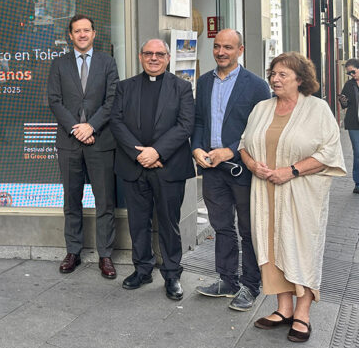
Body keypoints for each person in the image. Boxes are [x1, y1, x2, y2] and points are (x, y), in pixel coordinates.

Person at [240, 52, 345, 343]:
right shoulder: (262, 108)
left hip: (301, 194)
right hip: (265, 192)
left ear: (300, 79)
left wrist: (292, 170)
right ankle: (283, 309)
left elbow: (329, 153)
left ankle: (302, 314)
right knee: (271, 247)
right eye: (273, 73)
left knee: (301, 248)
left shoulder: (318, 109)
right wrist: (252, 165)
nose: (275, 78)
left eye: (282, 74)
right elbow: (243, 145)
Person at [110, 39, 194, 300]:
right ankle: (142, 269)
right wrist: (140, 155)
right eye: (149, 53)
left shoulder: (182, 87)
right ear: (140, 56)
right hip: (134, 167)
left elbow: (185, 125)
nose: (154, 58)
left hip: (168, 166)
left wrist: (156, 152)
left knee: (169, 223)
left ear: (168, 58)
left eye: (159, 54)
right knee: (138, 222)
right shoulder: (125, 87)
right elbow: (116, 121)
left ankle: (171, 275)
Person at [192, 30, 271, 311]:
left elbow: (260, 131)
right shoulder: (203, 82)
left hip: (242, 169)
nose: (221, 52)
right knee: (222, 227)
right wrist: (197, 148)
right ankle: (227, 280)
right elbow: (199, 121)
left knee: (249, 229)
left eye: (227, 47)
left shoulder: (257, 86)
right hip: (212, 170)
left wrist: (232, 149)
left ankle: (251, 284)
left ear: (240, 50)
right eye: (216, 46)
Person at [47, 15, 120, 278]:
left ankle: (105, 256)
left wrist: (92, 126)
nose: (82, 35)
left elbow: (112, 100)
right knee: (71, 199)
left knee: (105, 201)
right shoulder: (59, 64)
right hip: (69, 142)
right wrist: (77, 129)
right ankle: (73, 251)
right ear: (70, 35)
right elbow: (55, 101)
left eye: (86, 30)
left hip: (100, 141)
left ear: (94, 33)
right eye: (77, 31)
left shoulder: (107, 62)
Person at [338, 58, 359, 194]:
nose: (351, 75)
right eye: (349, 73)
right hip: (353, 123)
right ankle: (358, 182)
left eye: (353, 72)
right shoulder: (349, 85)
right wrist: (342, 99)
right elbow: (344, 104)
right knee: (357, 151)